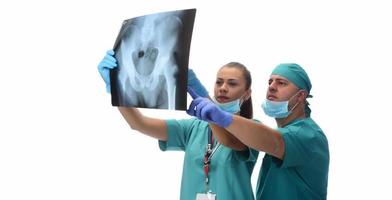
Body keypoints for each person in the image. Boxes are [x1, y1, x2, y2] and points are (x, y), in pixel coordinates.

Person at [98, 49, 259, 200]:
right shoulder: (193, 128)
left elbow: (228, 140)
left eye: (232, 84)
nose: (223, 88)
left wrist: (205, 100)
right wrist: (117, 91)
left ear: (247, 93)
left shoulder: (254, 128)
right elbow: (138, 123)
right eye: (219, 82)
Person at [187, 63, 330, 200]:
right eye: (270, 82)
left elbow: (271, 140)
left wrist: (221, 115)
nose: (272, 87)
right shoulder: (286, 132)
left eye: (281, 83)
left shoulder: (308, 135)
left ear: (300, 96)